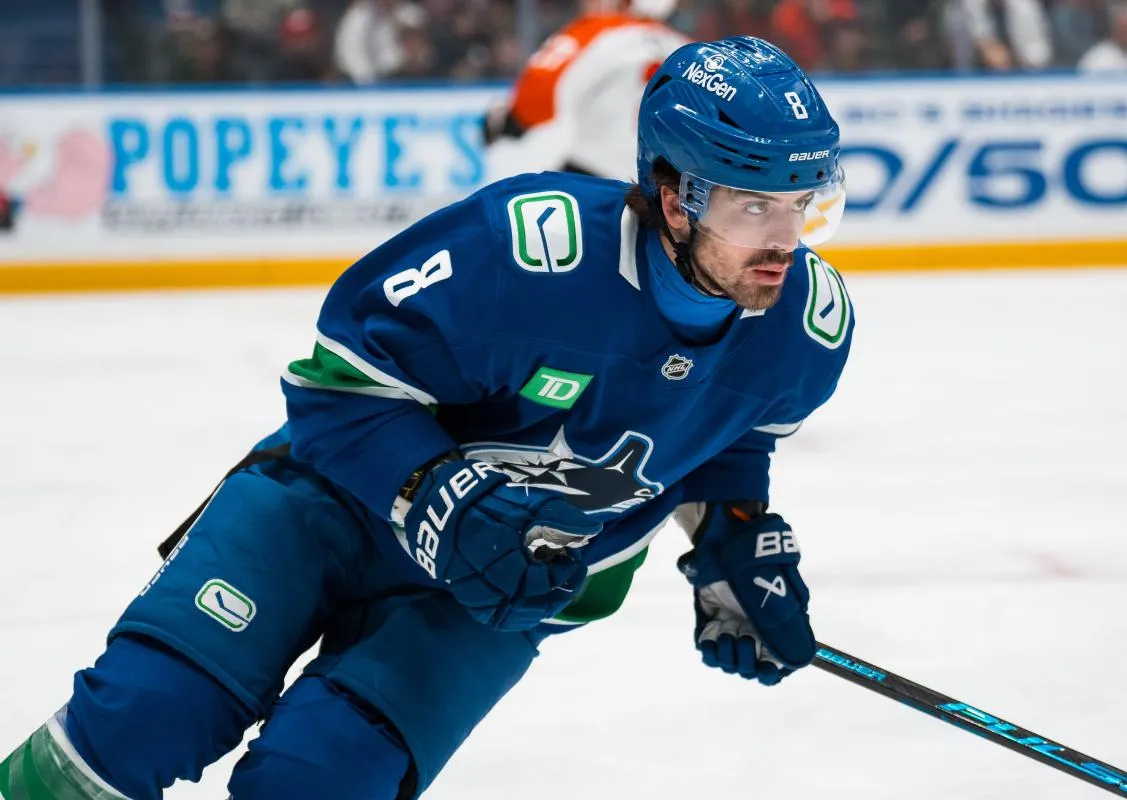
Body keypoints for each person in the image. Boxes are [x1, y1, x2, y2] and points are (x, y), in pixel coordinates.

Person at [0, 35, 853, 800]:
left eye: (806, 204)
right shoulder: (526, 252)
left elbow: (729, 435)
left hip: (506, 591)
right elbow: (336, 387)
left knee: (320, 781)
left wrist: (732, 540)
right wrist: (435, 490)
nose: (788, 239)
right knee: (143, 718)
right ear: (675, 199)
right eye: (755, 207)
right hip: (330, 510)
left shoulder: (806, 330)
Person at [482, 0, 687, 180]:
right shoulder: (685, 50)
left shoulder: (597, 31)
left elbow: (536, 95)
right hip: (659, 186)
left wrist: (508, 122)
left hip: (595, 173)